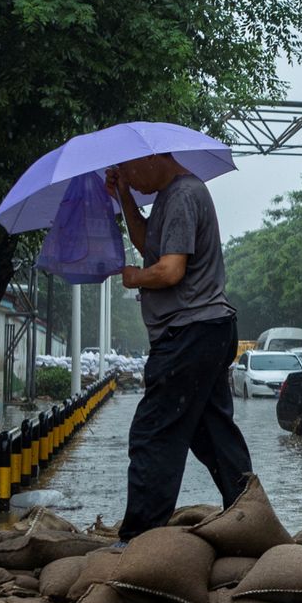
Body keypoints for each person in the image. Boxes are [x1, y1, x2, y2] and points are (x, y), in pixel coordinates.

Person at [105, 154, 252, 542]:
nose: (133, 180)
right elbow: (146, 241)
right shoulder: (171, 197)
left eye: (132, 170)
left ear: (154, 157)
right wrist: (123, 194)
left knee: (153, 433)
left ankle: (139, 537)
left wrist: (135, 278)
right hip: (206, 330)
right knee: (213, 434)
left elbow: (169, 270)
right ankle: (248, 516)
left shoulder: (184, 194)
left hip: (190, 332)